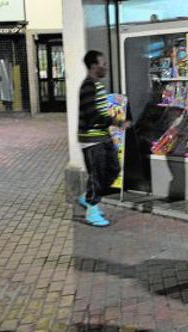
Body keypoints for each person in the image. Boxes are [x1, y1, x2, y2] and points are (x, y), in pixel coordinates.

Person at [77, 50, 124, 227]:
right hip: (91, 139)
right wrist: (115, 121)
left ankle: (87, 197)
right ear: (93, 66)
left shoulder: (97, 85)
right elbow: (92, 115)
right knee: (97, 174)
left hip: (103, 136)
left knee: (113, 169)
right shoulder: (88, 86)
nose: (105, 67)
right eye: (102, 64)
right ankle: (92, 210)